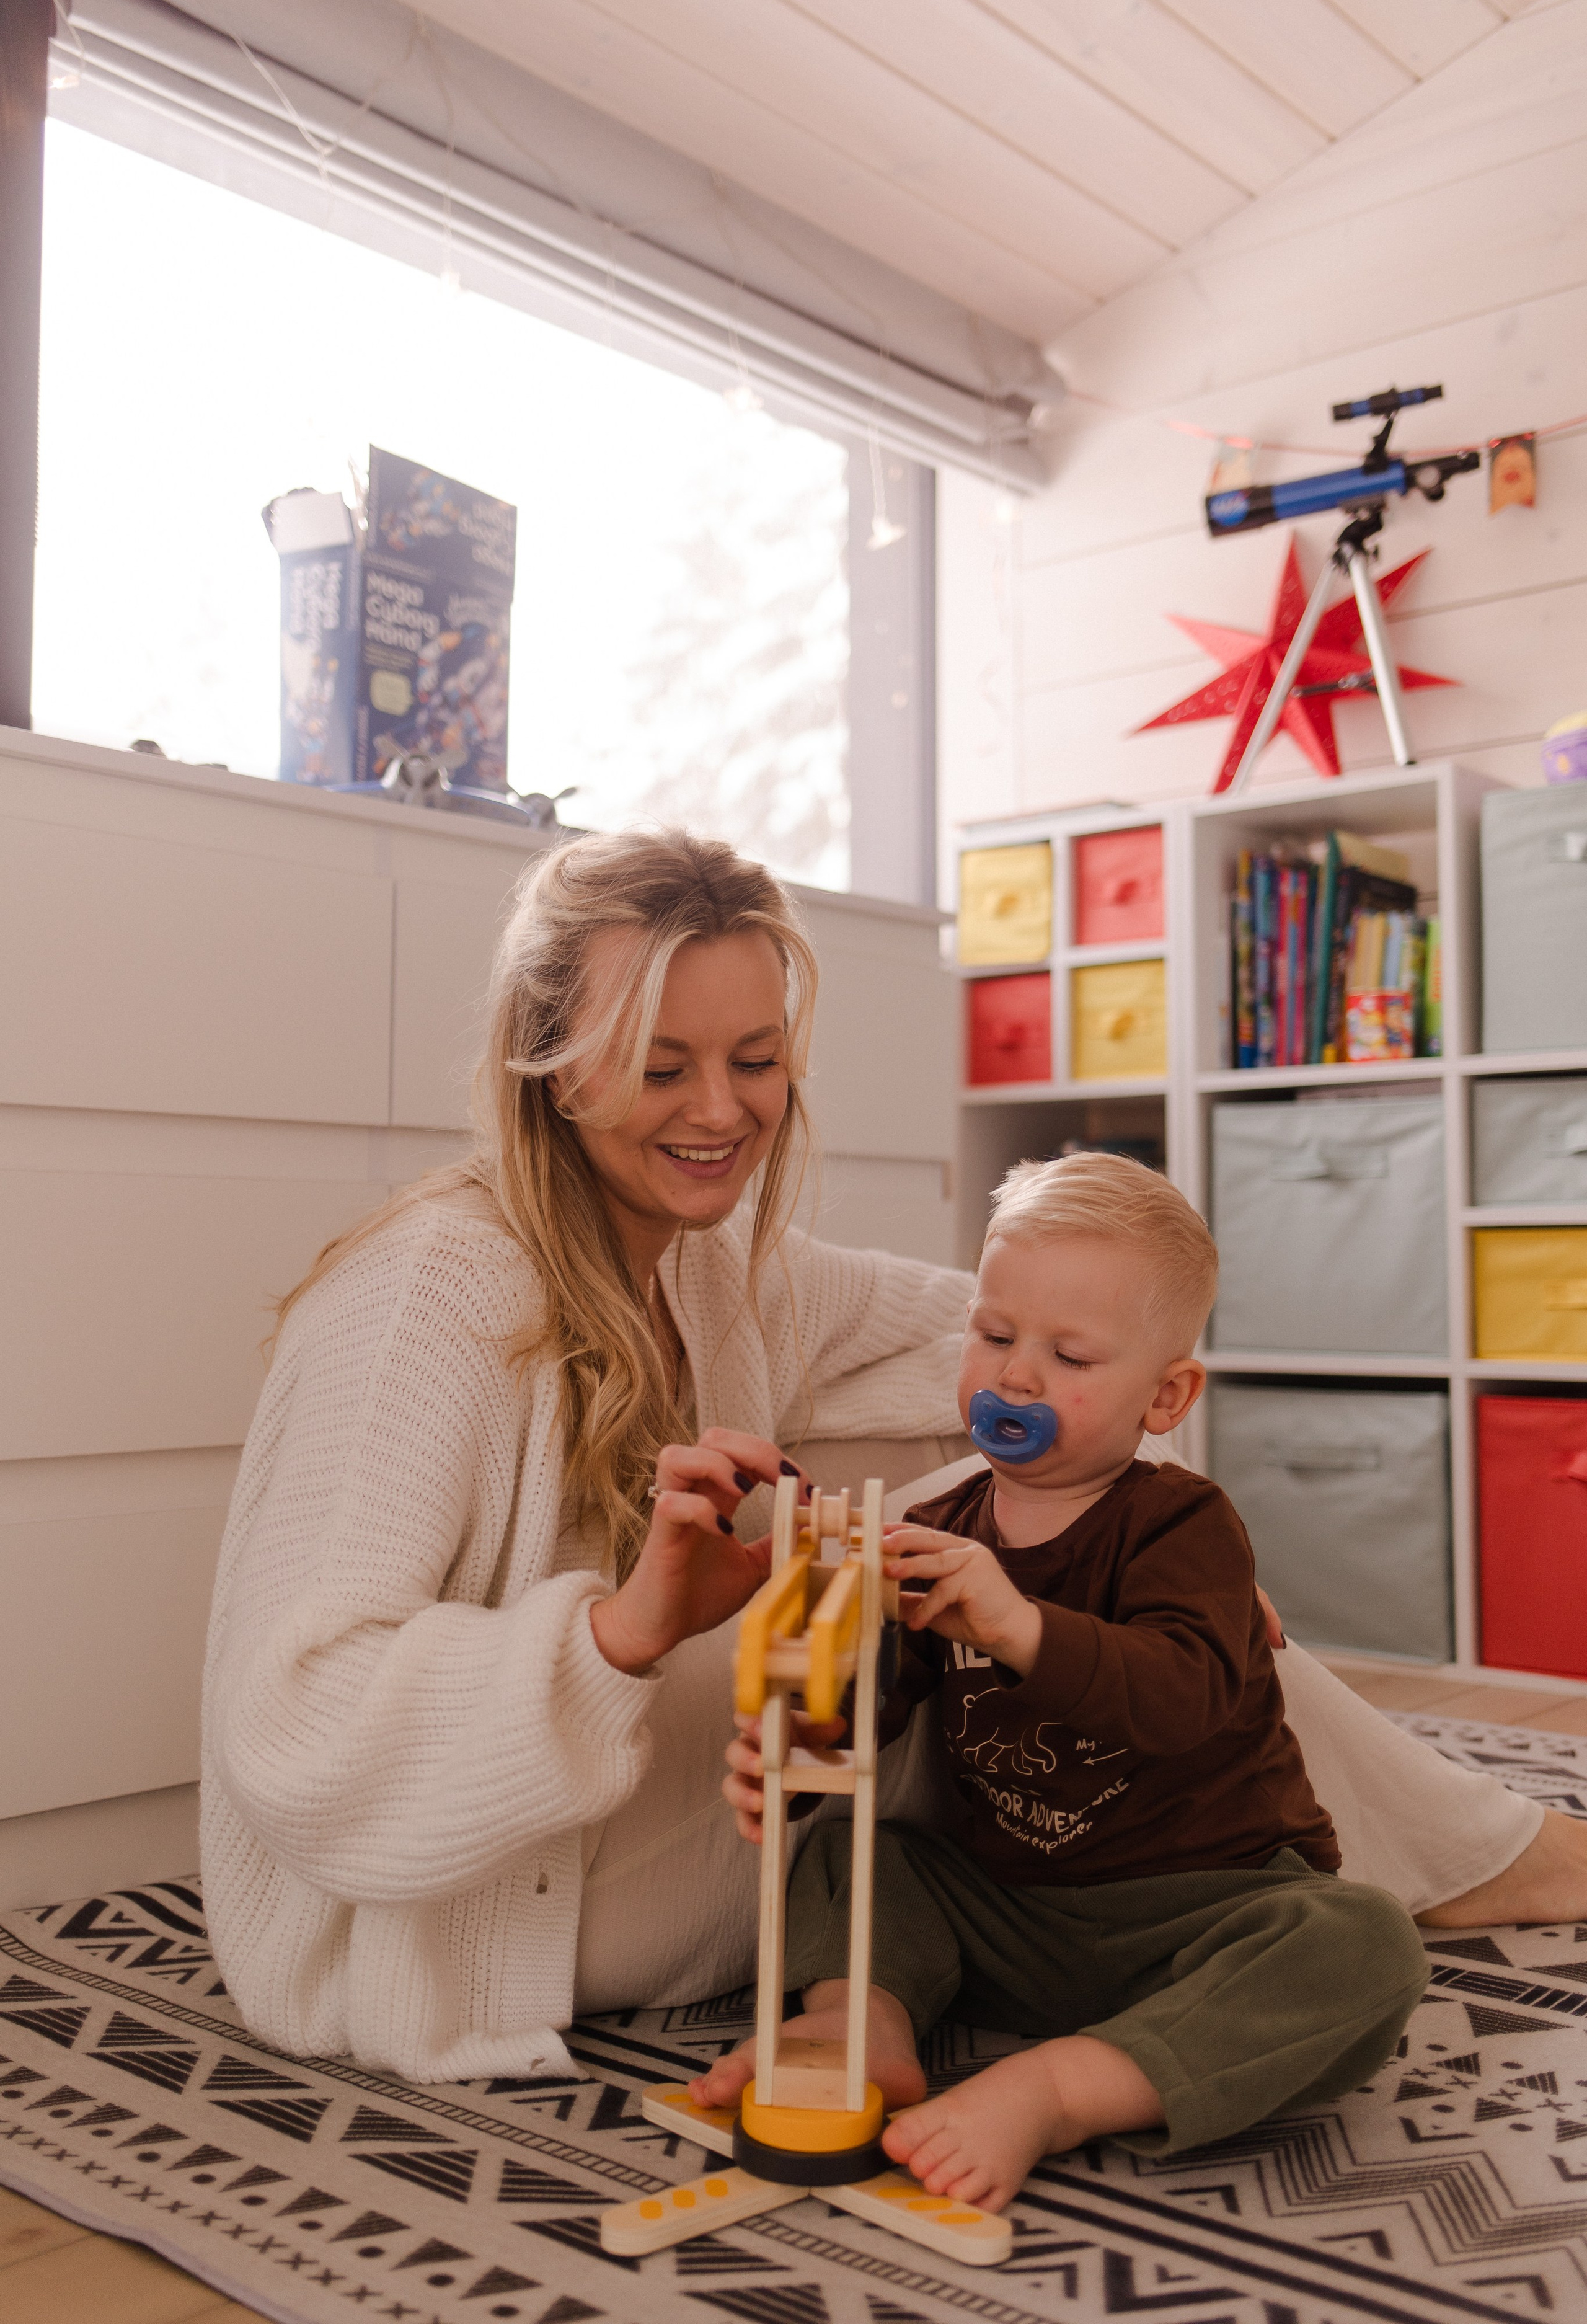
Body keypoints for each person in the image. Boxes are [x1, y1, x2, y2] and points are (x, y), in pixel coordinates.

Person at [203, 826, 1586, 2088]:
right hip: (483, 1903)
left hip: (645, 1823)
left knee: (1016, 1462)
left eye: (755, 1060)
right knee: (969, 1540)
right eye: (661, 1066)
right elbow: (294, 1726)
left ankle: (1443, 1841)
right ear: (554, 1061)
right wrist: (625, 1632)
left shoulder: (712, 1267)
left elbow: (1030, 1337)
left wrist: (1161, 1543)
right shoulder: (431, 1294)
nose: (720, 1111)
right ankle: (1481, 1858)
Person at [697, 1153, 1431, 2209]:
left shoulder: (1182, 1524)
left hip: (1202, 1912)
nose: (1018, 1377)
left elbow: (1184, 1699)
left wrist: (1018, 1624)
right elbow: (880, 1706)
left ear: (1165, 1396)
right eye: (995, 1335)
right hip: (1011, 1908)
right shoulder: (935, 1532)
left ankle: (1063, 2089)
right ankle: (859, 2025)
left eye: (1070, 1354)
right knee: (869, 1854)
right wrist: (803, 1739)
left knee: (1363, 1944)